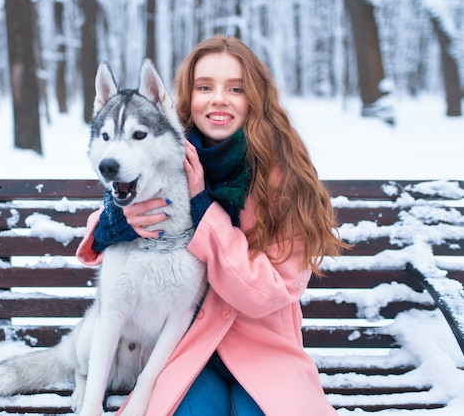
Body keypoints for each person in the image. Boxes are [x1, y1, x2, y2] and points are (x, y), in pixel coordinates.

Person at [76, 35, 349, 416]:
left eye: (234, 88)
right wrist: (116, 222)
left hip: (262, 348)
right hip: (191, 350)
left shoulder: (284, 181)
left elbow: (269, 292)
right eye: (205, 87)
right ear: (188, 96)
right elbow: (120, 197)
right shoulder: (167, 149)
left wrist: (203, 208)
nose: (218, 98)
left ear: (255, 97)